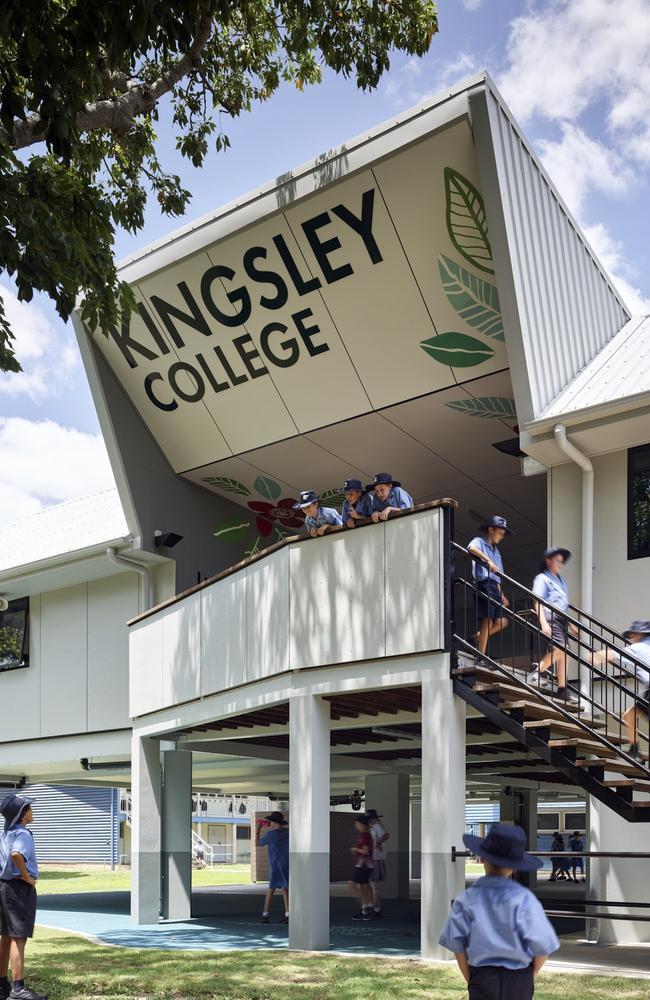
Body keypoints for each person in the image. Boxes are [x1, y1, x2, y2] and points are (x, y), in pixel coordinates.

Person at [439, 823, 559, 999]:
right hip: (519, 979)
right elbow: (543, 946)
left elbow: (458, 947)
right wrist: (529, 977)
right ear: (515, 866)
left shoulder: (465, 900)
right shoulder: (525, 900)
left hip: (482, 978)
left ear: (482, 859)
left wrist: (472, 979)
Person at [0, 794, 47, 1000]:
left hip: (3, 887)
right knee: (18, 937)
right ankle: (18, 989)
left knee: (6, 936)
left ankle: (1, 985)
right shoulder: (23, 834)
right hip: (19, 889)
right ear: (22, 814)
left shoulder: (5, 833)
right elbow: (17, 855)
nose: (31, 810)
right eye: (28, 807)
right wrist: (27, 878)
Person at [591, 620, 650, 761]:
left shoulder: (639, 647)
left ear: (638, 634)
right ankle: (634, 751)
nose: (629, 640)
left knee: (630, 715)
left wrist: (595, 657)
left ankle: (634, 751)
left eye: (630, 636)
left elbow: (612, 653)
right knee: (630, 714)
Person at [528, 547, 579, 704]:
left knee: (565, 653)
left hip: (561, 618)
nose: (560, 564)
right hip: (550, 615)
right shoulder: (542, 578)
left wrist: (570, 624)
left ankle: (562, 689)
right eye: (557, 561)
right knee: (561, 649)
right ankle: (537, 672)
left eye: (561, 562)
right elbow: (538, 600)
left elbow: (563, 604)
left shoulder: (561, 580)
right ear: (548, 561)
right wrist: (543, 621)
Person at [467, 516, 513, 656]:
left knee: (502, 621)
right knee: (487, 619)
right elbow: (471, 548)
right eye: (500, 532)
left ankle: (476, 638)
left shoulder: (496, 551)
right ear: (491, 529)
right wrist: (487, 560)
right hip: (483, 584)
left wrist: (501, 595)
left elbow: (498, 575)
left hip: (494, 586)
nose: (502, 536)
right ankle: (481, 655)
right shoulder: (480, 541)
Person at [255, 811, 289, 924]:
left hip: (275, 864)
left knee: (271, 889)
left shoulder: (271, 834)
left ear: (274, 822)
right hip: (286, 863)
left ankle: (265, 914)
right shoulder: (288, 833)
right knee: (285, 888)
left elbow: (257, 843)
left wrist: (258, 828)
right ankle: (288, 914)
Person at [348, 815, 375, 921]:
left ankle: (367, 906)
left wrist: (355, 849)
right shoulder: (366, 835)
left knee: (351, 886)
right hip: (366, 865)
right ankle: (366, 910)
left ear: (362, 824)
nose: (355, 826)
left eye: (357, 824)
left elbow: (365, 851)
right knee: (363, 887)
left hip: (363, 865)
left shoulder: (365, 835)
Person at [366, 809, 389, 918]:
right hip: (370, 858)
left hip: (375, 858)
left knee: (374, 886)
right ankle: (374, 907)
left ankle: (377, 909)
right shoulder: (369, 828)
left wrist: (378, 842)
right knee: (371, 885)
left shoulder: (376, 827)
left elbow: (386, 835)